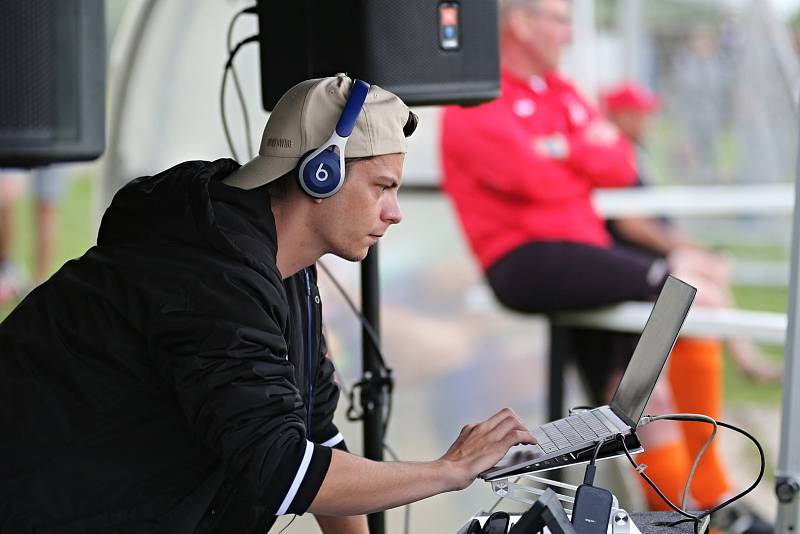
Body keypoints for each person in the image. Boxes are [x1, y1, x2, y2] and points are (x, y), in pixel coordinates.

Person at [0, 74, 535, 533]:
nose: (395, 212)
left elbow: (317, 435)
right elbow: (282, 470)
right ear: (319, 172)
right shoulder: (211, 272)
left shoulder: (283, 269)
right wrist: (448, 471)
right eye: (382, 187)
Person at [440, 2, 769, 531]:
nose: (569, 35)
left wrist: (560, 152)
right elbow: (532, 178)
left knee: (636, 393)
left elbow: (617, 164)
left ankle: (687, 511)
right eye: (560, 20)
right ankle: (710, 500)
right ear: (522, 23)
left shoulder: (561, 91)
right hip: (530, 261)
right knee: (686, 293)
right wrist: (575, 154)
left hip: (584, 258)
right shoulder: (478, 96)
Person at [602, 81, 781, 383]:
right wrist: (681, 249)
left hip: (651, 260)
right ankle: (744, 362)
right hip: (640, 264)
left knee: (714, 276)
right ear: (621, 115)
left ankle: (742, 360)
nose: (648, 120)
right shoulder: (610, 154)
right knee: (706, 290)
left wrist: (686, 247)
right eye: (640, 113)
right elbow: (630, 223)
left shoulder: (628, 152)